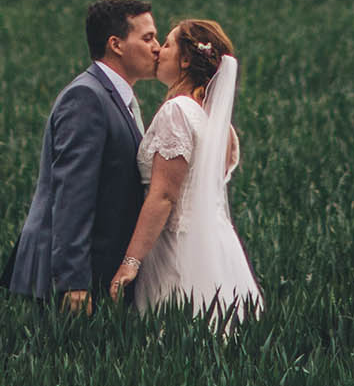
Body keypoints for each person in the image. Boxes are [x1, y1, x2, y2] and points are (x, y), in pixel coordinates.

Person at [1, 0, 160, 311]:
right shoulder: (87, 96)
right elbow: (73, 193)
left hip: (96, 265)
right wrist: (73, 283)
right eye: (147, 38)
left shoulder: (114, 96)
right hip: (66, 280)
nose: (158, 46)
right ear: (116, 44)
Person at [107, 18, 260, 327]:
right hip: (219, 247)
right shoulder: (221, 126)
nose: (158, 52)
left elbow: (164, 196)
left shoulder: (178, 111)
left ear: (186, 59)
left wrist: (130, 263)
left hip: (176, 248)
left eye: (166, 44)